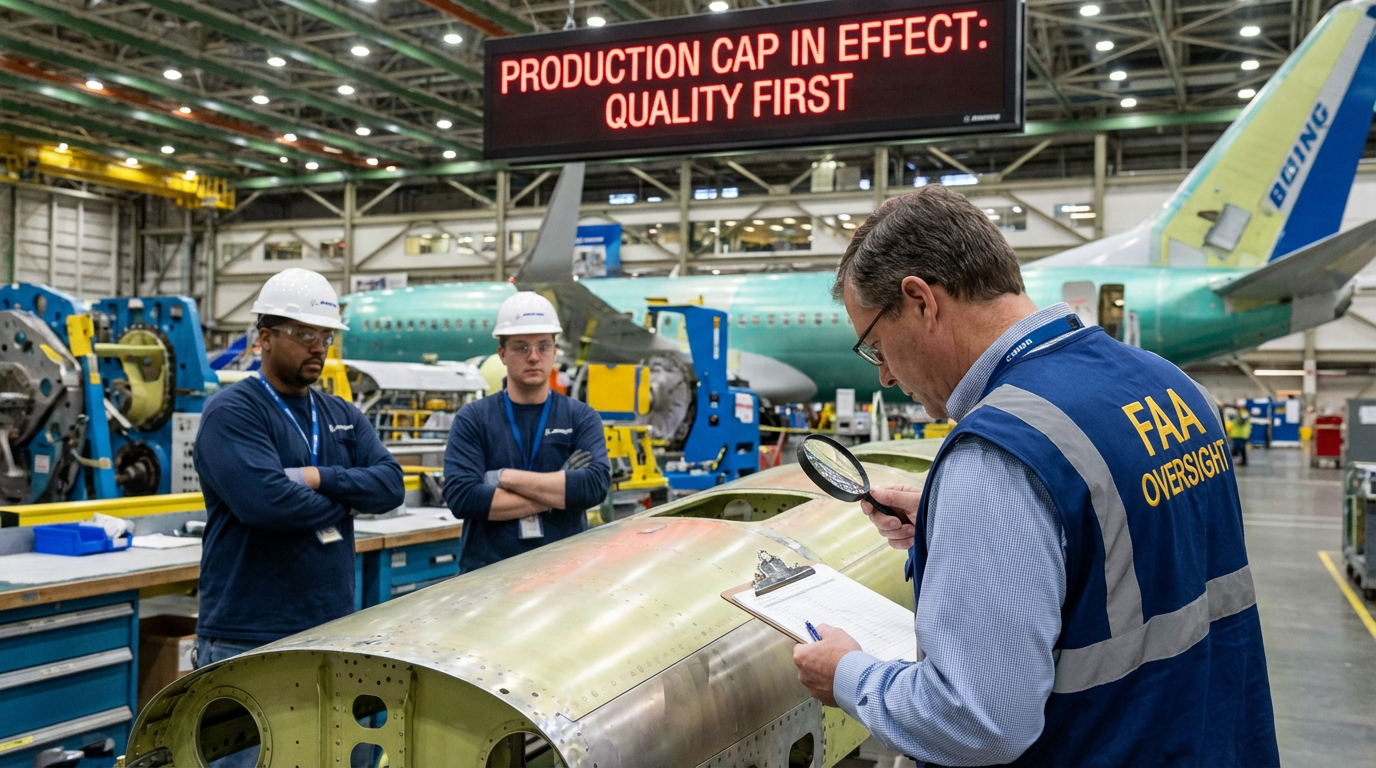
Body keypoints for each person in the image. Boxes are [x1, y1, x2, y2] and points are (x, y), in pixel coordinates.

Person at [792, 186, 1278, 766]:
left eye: (875, 346)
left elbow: (979, 722)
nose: (887, 378)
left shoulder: (1000, 451)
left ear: (921, 301)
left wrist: (846, 674)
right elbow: (1138, 552)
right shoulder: (1172, 386)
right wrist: (981, 525)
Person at [195, 268, 405, 669]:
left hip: (332, 627)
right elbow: (267, 504)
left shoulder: (341, 412)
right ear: (266, 338)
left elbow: (391, 485)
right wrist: (348, 502)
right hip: (248, 635)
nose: (319, 348)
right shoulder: (233, 411)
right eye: (305, 335)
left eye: (326, 337)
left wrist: (318, 478)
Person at [443, 292, 611, 572]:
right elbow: (464, 497)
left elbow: (593, 487)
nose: (533, 357)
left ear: (555, 352)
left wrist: (503, 478)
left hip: (564, 572)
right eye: (521, 347)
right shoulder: (473, 418)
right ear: (502, 354)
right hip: (487, 575)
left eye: (543, 346)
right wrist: (558, 494)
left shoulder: (580, 416)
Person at [1229, 399, 1253, 466]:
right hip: (1238, 434)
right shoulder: (1240, 412)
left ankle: (1243, 461)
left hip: (1241, 434)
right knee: (1239, 449)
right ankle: (1243, 461)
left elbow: (1242, 421)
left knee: (1239, 449)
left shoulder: (1243, 412)